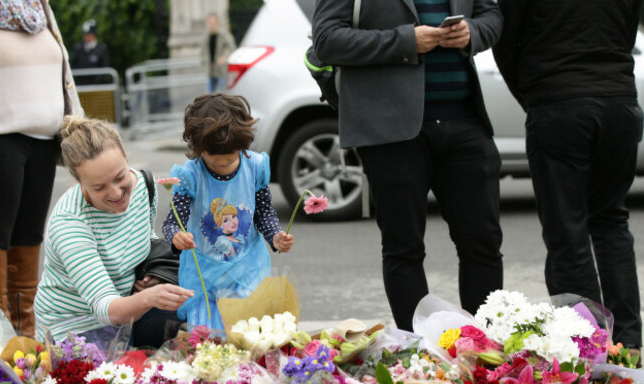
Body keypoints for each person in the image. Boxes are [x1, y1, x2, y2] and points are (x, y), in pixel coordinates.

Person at [312, 0, 504, 331]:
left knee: (483, 245)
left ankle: (486, 355)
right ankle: (419, 356)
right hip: (390, 131)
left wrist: (472, 32)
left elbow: (492, 15)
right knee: (404, 249)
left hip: (465, 121)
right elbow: (328, 39)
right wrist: (406, 41)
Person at [493, 0, 643, 353]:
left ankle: (586, 345)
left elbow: (505, 43)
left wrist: (533, 98)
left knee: (567, 230)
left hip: (558, 102)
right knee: (610, 221)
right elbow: (626, 34)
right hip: (618, 100)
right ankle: (630, 341)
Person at [34, 116, 194, 347]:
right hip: (75, 327)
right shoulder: (69, 224)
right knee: (127, 375)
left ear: (126, 158)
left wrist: (154, 274)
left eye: (120, 177)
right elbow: (105, 308)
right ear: (79, 182)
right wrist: (149, 297)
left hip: (128, 312)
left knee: (199, 326)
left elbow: (144, 237)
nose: (117, 193)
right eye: (99, 187)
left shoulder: (144, 187)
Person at [162, 93, 294, 329]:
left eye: (230, 156)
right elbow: (172, 223)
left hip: (247, 270)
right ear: (197, 147)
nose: (222, 163)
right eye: (213, 158)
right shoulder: (189, 176)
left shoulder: (254, 167)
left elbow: (263, 213)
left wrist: (275, 236)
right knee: (206, 334)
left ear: (243, 144)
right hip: (204, 275)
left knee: (249, 331)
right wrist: (176, 236)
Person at [0, 0, 83, 338]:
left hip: (44, 140)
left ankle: (23, 345)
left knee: (29, 239)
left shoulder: (38, 6)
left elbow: (64, 74)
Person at [201, 13, 236, 93]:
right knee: (209, 97)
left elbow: (232, 48)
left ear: (217, 23)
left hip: (221, 70)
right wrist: (204, 61)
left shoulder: (223, 35)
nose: (211, 25)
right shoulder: (206, 37)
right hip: (210, 70)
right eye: (210, 23)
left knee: (222, 95)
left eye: (213, 23)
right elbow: (202, 52)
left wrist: (225, 57)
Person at [70, 19, 109, 85]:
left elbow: (105, 67)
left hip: (96, 87)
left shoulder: (101, 50)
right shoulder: (78, 49)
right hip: (80, 86)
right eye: (85, 34)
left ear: (94, 35)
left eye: (88, 34)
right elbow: (73, 65)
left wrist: (98, 81)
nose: (86, 37)